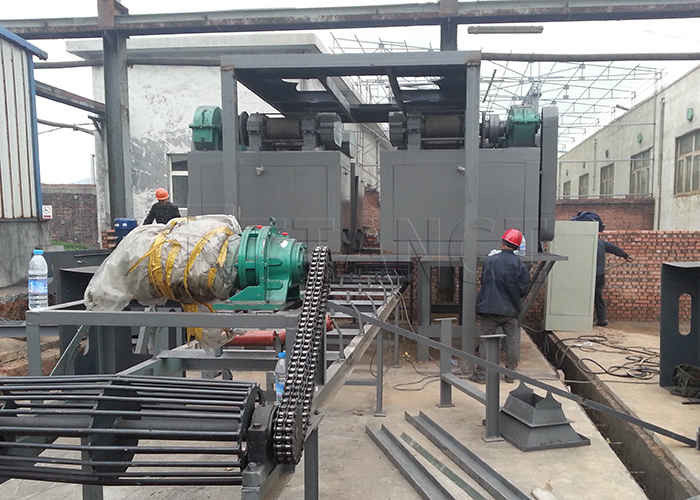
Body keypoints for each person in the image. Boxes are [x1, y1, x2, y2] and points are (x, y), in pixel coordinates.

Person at [473, 228, 530, 383]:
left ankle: (482, 375)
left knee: (486, 341)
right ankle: (510, 375)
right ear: (517, 247)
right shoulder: (520, 264)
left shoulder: (490, 260)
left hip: (489, 308)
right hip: (510, 310)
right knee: (512, 342)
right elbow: (524, 289)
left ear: (503, 243)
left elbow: (484, 281)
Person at [571, 212, 632, 326]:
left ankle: (581, 319)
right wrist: (625, 255)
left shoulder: (584, 242)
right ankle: (601, 320)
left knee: (584, 296)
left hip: (589, 275)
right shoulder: (600, 243)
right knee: (597, 297)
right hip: (599, 276)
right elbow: (614, 249)